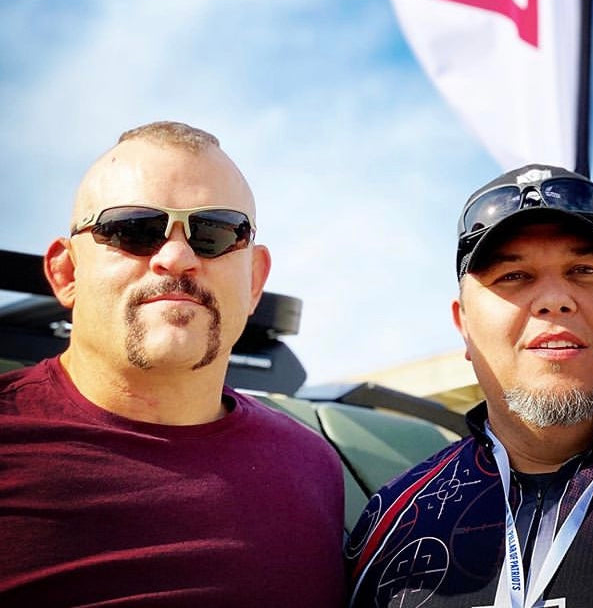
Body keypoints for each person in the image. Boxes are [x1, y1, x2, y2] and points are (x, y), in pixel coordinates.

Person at [0, 121, 346, 607]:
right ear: (66, 271)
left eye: (216, 232)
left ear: (253, 281)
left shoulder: (318, 469)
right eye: (133, 228)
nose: (177, 256)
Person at [346, 163, 593, 607]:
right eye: (513, 277)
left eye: (585, 270)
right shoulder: (392, 519)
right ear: (463, 325)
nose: (554, 299)